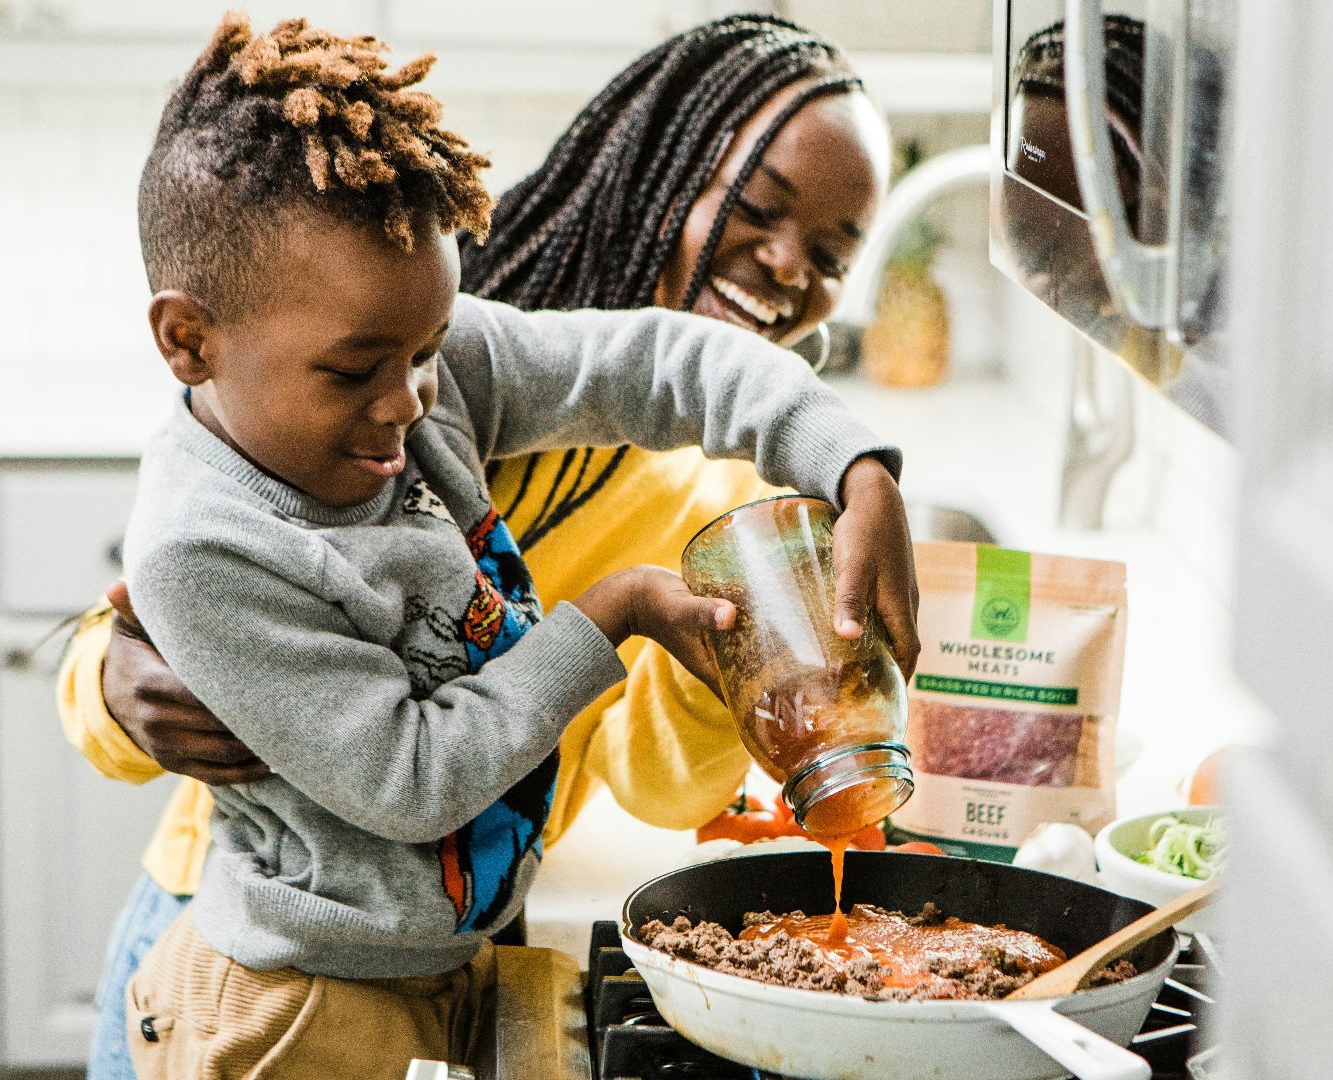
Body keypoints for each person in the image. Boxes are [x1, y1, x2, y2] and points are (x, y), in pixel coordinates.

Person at [60, 14, 892, 1077]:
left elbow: (658, 784)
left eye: (832, 252)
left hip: (451, 942)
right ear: (658, 166)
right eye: (759, 208)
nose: (787, 265)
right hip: (282, 977)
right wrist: (110, 680)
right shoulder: (348, 312)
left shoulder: (426, 348)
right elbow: (380, 753)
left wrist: (840, 478)